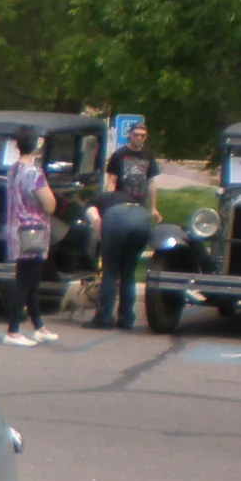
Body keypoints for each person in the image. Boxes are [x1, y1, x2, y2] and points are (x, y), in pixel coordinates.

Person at [2, 126, 58, 347]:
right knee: (25, 282)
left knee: (32, 280)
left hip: (16, 229)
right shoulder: (34, 173)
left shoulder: (13, 170)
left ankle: (38, 326)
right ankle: (13, 330)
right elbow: (49, 204)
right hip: (33, 231)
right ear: (35, 145)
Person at [88, 185, 154, 330]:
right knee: (128, 272)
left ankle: (104, 317)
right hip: (141, 218)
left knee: (110, 272)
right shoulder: (126, 197)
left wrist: (103, 240)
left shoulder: (92, 202)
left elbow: (96, 220)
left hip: (117, 219)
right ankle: (126, 318)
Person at [106, 121, 161, 218]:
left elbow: (151, 182)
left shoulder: (149, 155)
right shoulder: (119, 154)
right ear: (130, 135)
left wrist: (153, 208)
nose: (139, 138)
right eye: (136, 135)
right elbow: (112, 181)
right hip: (121, 202)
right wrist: (110, 203)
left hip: (140, 204)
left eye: (142, 135)